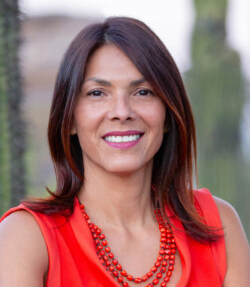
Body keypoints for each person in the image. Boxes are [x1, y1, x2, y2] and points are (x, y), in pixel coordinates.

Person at [0, 16, 249, 287]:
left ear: (167, 114)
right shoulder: (25, 237)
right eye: (97, 93)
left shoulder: (216, 225)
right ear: (70, 118)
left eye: (143, 92)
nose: (122, 112)